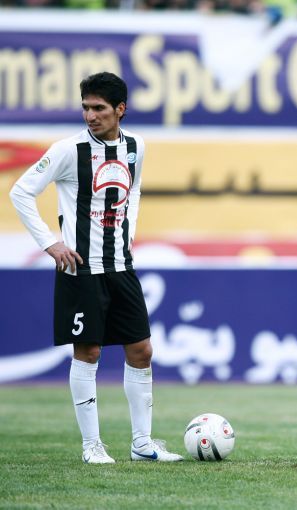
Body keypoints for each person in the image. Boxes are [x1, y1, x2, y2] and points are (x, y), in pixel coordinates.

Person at [9, 72, 183, 464]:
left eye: (99, 108)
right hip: (81, 269)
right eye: (86, 107)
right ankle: (92, 446)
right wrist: (50, 243)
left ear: (120, 109)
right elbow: (21, 192)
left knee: (141, 350)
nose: (91, 115)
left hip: (121, 265)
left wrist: (129, 232)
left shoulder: (136, 146)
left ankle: (142, 444)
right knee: (88, 351)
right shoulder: (68, 150)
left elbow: (133, 189)